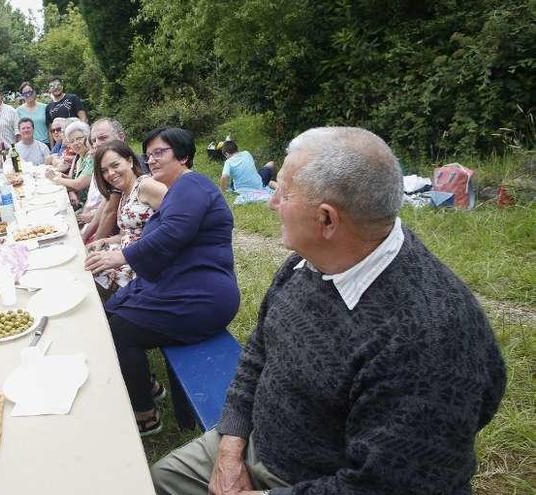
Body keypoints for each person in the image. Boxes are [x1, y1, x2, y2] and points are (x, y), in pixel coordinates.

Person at [151, 127, 507, 494]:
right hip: (257, 442)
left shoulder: (426, 340)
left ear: (327, 220)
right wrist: (230, 447)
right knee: (153, 481)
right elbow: (259, 351)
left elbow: (388, 486)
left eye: (283, 192)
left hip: (319, 481)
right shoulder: (306, 264)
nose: (272, 202)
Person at [86, 127, 239, 436]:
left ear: (183, 156)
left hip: (204, 295)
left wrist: (119, 257)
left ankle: (146, 414)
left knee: (120, 331)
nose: (152, 160)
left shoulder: (192, 185)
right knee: (111, 313)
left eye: (161, 152)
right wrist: (113, 248)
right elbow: (156, 238)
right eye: (150, 154)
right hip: (181, 285)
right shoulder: (177, 192)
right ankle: (147, 387)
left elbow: (171, 236)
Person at [86, 140, 166, 296]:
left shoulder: (146, 186)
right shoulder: (124, 192)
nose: (110, 174)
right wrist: (104, 241)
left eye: (115, 165)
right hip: (125, 255)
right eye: (104, 171)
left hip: (141, 262)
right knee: (85, 264)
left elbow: (180, 218)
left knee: (89, 276)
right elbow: (127, 234)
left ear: (129, 161)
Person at [79, 118, 126, 243]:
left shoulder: (127, 167)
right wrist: (83, 239)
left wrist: (94, 245)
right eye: (93, 140)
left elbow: (110, 212)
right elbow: (105, 207)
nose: (97, 144)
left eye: (102, 138)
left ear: (121, 137)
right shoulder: (107, 167)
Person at [45, 120, 93, 209]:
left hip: (88, 206)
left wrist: (56, 178)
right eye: (71, 141)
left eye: (79, 139)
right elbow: (71, 179)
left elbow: (78, 184)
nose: (75, 143)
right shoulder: (79, 158)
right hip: (77, 201)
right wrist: (58, 174)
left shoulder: (91, 158)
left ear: (87, 138)